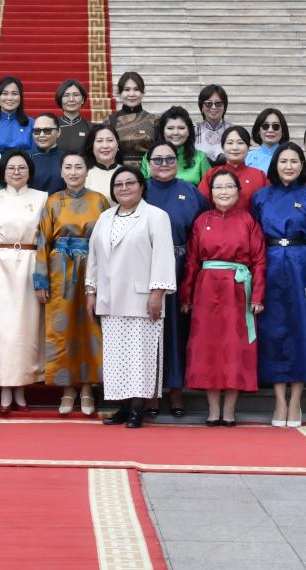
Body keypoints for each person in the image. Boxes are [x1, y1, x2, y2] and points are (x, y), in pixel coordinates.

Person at [86, 165, 177, 429]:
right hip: (110, 298)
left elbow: (162, 256)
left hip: (142, 297)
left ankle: (138, 409)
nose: (124, 188)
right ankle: (123, 407)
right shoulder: (104, 217)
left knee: (141, 356)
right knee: (116, 357)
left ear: (141, 186)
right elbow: (94, 257)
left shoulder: (156, 216)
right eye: (118, 184)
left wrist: (157, 292)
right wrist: (91, 290)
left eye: (130, 183)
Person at [181, 169, 267, 426]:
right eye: (218, 187)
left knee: (234, 348)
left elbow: (260, 261)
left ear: (238, 191)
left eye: (229, 187)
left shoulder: (248, 220)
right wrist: (186, 296)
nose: (223, 192)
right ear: (211, 192)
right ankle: (213, 408)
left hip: (238, 290)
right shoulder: (201, 221)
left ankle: (229, 410)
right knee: (207, 348)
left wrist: (258, 296)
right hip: (206, 290)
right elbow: (192, 261)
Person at [251, 142, 306, 427]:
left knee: (301, 330)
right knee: (273, 332)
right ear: (275, 165)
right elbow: (254, 239)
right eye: (284, 161)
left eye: (295, 161)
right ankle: (279, 401)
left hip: (301, 265)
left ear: (302, 165)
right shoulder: (261, 196)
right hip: (270, 265)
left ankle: (296, 401)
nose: (289, 166)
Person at [35, 151, 108, 416]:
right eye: (69, 167)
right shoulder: (53, 201)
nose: (74, 172)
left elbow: (106, 240)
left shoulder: (99, 200)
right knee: (62, 330)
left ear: (87, 171)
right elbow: (43, 240)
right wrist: (40, 279)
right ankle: (67, 389)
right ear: (61, 172)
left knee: (90, 328)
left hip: (91, 266)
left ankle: (88, 388)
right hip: (59, 269)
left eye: (79, 167)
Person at [0, 150, 48, 411]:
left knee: (27, 330)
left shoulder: (41, 198)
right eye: (11, 168)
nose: (16, 172)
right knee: (2, 329)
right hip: (2, 264)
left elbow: (44, 239)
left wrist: (43, 274)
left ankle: (22, 387)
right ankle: (5, 388)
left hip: (30, 264)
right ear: (3, 172)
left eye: (22, 168)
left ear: (30, 171)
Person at [144, 142, 204, 415]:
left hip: (183, 266)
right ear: (148, 163)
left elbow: (203, 229)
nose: (164, 164)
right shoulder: (141, 190)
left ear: (177, 163)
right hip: (148, 267)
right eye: (158, 159)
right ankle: (152, 393)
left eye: (169, 159)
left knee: (178, 330)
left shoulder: (190, 191)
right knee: (151, 329)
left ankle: (177, 392)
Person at [202, 126, 266, 211]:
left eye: (240, 143)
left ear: (248, 148)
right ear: (223, 147)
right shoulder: (211, 174)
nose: (235, 147)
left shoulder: (260, 176)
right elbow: (202, 204)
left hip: (250, 223)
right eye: (230, 143)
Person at [141, 106, 208, 185]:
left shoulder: (200, 157)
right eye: (170, 128)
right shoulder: (149, 156)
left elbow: (207, 190)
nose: (176, 132)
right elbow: (141, 187)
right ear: (162, 131)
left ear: (189, 131)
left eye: (181, 128)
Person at [107, 71, 156, 163]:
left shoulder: (154, 121)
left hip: (147, 172)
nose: (132, 94)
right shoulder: (110, 121)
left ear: (142, 92)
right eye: (127, 90)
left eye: (136, 89)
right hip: (119, 173)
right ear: (120, 93)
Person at [0, 76, 32, 151]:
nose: (9, 98)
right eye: (5, 93)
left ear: (20, 98)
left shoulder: (31, 123)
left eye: (14, 94)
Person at [27, 113, 69, 193]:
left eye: (47, 130)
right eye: (37, 131)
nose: (41, 135)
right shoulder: (24, 158)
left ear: (58, 132)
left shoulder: (68, 158)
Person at [55, 79, 94, 157]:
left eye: (76, 95)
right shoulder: (52, 126)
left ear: (82, 99)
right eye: (66, 95)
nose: (71, 99)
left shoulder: (92, 128)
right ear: (60, 99)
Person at [246, 107, 290, 173]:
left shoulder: (291, 157)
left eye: (275, 126)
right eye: (265, 126)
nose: (270, 130)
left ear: (283, 131)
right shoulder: (247, 158)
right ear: (258, 130)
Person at [85, 124, 123, 199]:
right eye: (99, 141)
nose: (105, 146)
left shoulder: (127, 173)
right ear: (92, 146)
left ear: (117, 144)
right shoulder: (83, 174)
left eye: (110, 140)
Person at [195, 84, 230, 162]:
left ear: (224, 107)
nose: (213, 107)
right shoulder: (193, 131)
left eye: (218, 103)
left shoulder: (233, 131)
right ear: (202, 108)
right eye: (208, 104)